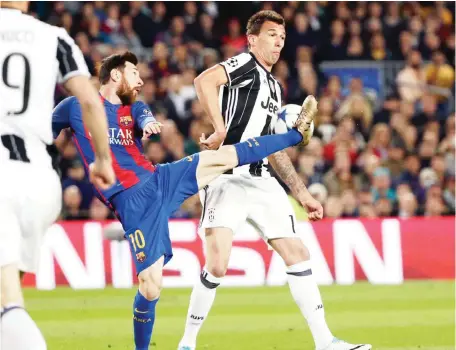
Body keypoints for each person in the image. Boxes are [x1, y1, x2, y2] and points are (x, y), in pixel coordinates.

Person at [51, 50, 317, 350]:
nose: (140, 80)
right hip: (132, 201)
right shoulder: (74, 107)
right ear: (116, 75)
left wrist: (149, 121)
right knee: (151, 288)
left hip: (160, 179)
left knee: (225, 156)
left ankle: (296, 135)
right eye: (134, 73)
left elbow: (143, 115)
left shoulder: (133, 109)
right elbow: (44, 133)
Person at [177, 11, 371, 350]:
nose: (278, 42)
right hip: (227, 177)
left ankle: (325, 342)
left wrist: (302, 193)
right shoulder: (244, 65)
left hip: (262, 180)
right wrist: (221, 127)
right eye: (271, 35)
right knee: (218, 264)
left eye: (282, 37)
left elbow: (273, 149)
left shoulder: (275, 88)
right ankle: (188, 342)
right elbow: (204, 81)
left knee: (297, 252)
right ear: (252, 39)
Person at [0, 2, 115, 350]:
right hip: (40, 179)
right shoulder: (54, 37)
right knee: (8, 293)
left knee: (8, 301)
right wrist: (102, 160)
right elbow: (91, 101)